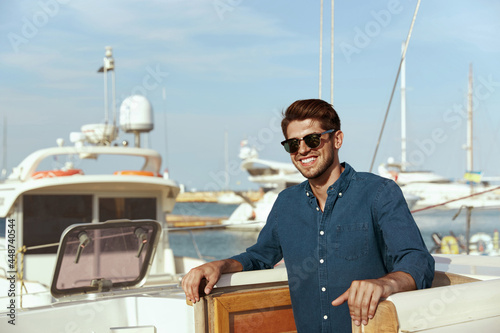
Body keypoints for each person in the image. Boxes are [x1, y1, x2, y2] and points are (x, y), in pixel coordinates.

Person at [182, 99, 435, 332]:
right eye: (293, 144)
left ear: (337, 139)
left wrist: (384, 284)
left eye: (312, 139)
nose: (302, 150)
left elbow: (417, 260)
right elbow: (260, 257)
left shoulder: (379, 193)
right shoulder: (286, 202)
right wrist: (218, 265)